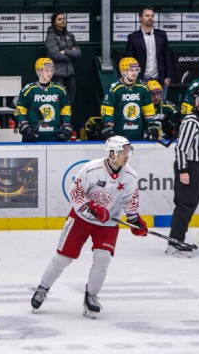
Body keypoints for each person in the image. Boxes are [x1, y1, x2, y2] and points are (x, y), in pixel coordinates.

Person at [30, 136, 144, 319]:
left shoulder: (130, 176)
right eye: (122, 152)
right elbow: (74, 192)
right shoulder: (92, 169)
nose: (126, 156)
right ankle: (42, 288)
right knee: (63, 259)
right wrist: (91, 207)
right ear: (112, 153)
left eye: (127, 152)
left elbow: (129, 200)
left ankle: (91, 296)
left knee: (103, 258)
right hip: (81, 219)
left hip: (107, 223)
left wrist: (134, 219)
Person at [167, 86, 199, 256]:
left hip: (197, 166)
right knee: (185, 205)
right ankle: (174, 243)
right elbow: (181, 149)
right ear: (197, 102)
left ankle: (176, 239)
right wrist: (183, 170)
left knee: (190, 204)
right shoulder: (191, 122)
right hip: (188, 165)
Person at [14, 58, 72, 142]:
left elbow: (66, 109)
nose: (50, 73)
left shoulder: (60, 89)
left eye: (51, 70)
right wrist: (24, 126)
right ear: (38, 71)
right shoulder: (29, 89)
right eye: (46, 70)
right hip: (32, 137)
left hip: (56, 137)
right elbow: (19, 110)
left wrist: (66, 125)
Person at [100, 57, 156, 141]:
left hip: (138, 134)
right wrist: (108, 126)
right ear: (123, 71)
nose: (134, 73)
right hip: (118, 135)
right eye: (131, 70)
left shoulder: (143, 87)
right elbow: (107, 110)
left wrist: (151, 124)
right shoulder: (114, 88)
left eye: (136, 70)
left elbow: (148, 110)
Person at [125, 6, 175, 88]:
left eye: (152, 15)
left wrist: (168, 77)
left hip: (160, 80)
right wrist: (132, 78)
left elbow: (167, 57)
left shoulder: (162, 35)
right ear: (140, 18)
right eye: (147, 15)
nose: (150, 18)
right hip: (140, 80)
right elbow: (129, 60)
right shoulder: (133, 37)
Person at [44, 12, 81, 105]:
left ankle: (69, 115)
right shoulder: (50, 37)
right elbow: (56, 55)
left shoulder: (70, 35)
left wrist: (65, 51)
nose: (63, 21)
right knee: (59, 100)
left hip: (70, 73)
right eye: (59, 19)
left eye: (64, 19)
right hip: (57, 74)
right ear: (54, 22)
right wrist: (71, 55)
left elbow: (78, 53)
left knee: (71, 100)